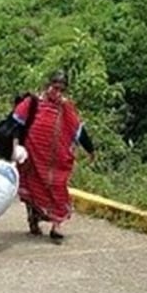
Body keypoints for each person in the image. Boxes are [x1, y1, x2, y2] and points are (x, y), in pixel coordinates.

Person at [11, 71, 95, 244]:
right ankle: (33, 219)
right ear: (47, 85)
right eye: (55, 88)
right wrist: (15, 147)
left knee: (58, 188)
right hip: (32, 156)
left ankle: (56, 226)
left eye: (62, 90)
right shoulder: (33, 102)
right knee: (32, 188)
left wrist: (90, 149)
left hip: (56, 161)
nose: (58, 93)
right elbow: (16, 122)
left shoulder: (66, 108)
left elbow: (78, 130)